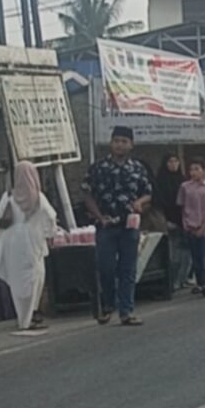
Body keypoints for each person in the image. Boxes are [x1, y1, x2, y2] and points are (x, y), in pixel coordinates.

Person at [82, 126, 152, 326]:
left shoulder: (137, 168)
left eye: (124, 141)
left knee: (128, 269)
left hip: (129, 225)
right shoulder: (98, 167)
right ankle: (107, 305)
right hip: (105, 225)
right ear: (111, 143)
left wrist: (140, 202)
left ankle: (126, 311)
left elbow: (148, 192)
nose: (120, 145)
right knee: (106, 267)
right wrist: (99, 216)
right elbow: (87, 193)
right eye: (116, 140)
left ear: (131, 144)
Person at [0, 162, 58, 332]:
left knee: (18, 280)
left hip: (12, 243)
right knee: (34, 279)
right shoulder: (38, 198)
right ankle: (31, 315)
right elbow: (51, 216)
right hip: (32, 243)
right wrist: (50, 234)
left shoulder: (8, 197)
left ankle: (23, 318)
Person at [177, 157, 205, 297]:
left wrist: (203, 227)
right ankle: (200, 283)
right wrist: (186, 224)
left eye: (197, 169)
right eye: (191, 169)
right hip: (190, 225)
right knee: (195, 257)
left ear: (204, 171)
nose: (193, 172)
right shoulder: (185, 187)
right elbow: (182, 207)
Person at [155, 154, 191, 289]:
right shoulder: (161, 181)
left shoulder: (183, 181)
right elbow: (160, 203)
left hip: (185, 220)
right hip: (170, 220)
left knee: (186, 251)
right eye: (170, 161)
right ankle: (173, 281)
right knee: (173, 253)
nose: (173, 164)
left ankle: (184, 278)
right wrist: (165, 220)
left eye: (176, 161)